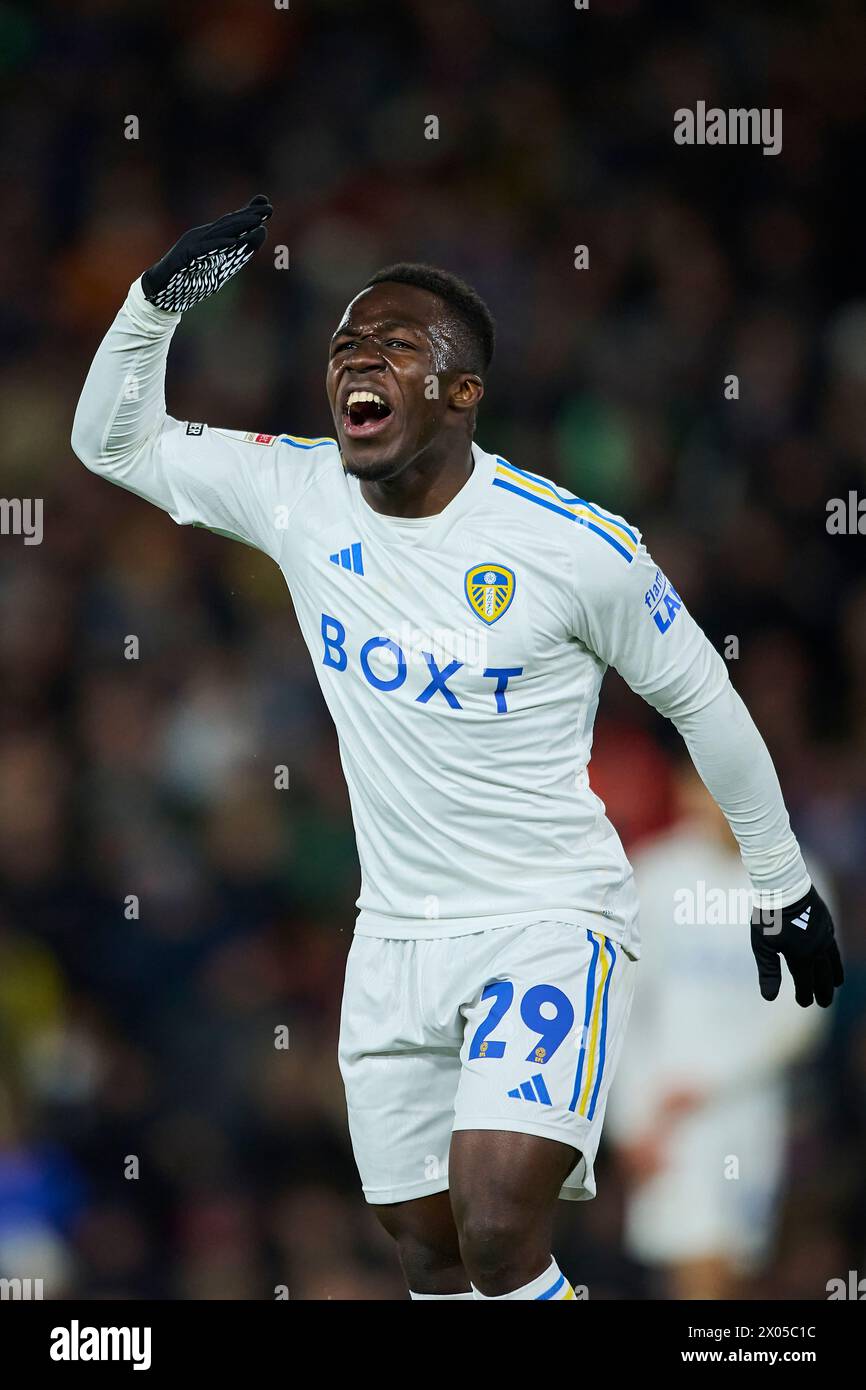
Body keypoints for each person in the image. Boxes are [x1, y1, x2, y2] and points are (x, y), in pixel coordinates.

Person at [71, 197, 842, 1301]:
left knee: (493, 1224)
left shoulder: (572, 548)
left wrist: (777, 882)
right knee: (430, 1256)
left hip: (546, 918)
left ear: (461, 392)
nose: (357, 360)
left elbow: (703, 700)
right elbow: (112, 440)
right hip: (391, 936)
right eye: (344, 344)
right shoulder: (298, 494)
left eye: (393, 345)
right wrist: (155, 304)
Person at [606, 760, 830, 1299]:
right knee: (696, 1269)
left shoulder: (796, 883)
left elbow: (804, 1013)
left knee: (735, 1272)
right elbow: (622, 1007)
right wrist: (629, 1118)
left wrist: (711, 1079)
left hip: (749, 1110)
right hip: (669, 1117)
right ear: (686, 792)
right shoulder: (654, 877)